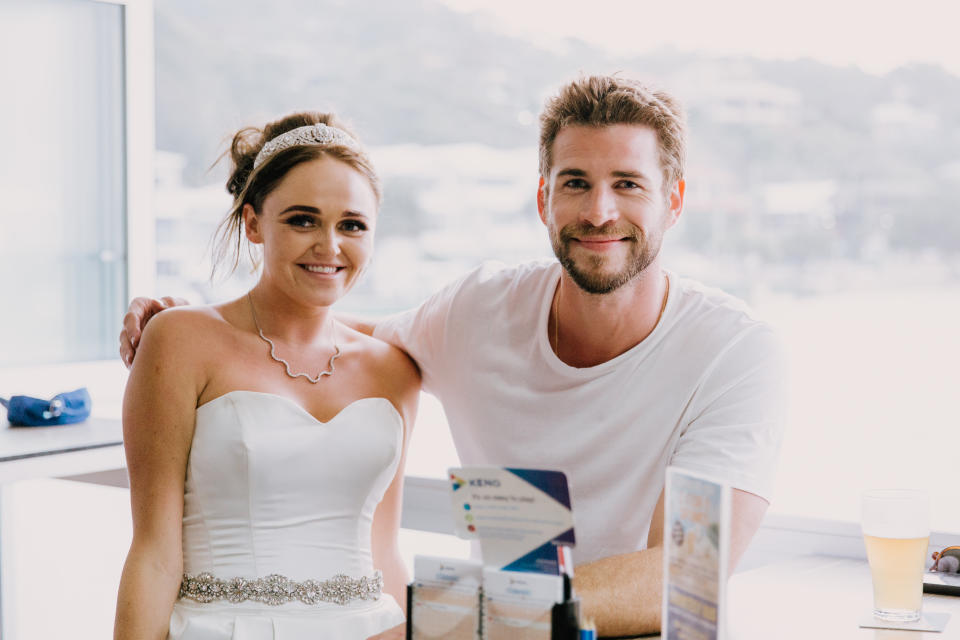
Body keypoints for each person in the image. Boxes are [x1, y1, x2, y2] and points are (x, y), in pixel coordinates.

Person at [120, 75, 786, 637]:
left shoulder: (733, 351)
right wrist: (186, 328)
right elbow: (318, 337)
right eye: (576, 182)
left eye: (629, 184)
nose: (600, 210)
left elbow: (684, 574)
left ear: (673, 201)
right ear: (543, 199)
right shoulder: (478, 312)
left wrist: (438, 622)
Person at [113, 112, 419, 640]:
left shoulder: (395, 367)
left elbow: (385, 552)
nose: (329, 246)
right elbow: (155, 554)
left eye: (352, 224)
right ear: (253, 222)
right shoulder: (178, 339)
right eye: (303, 219)